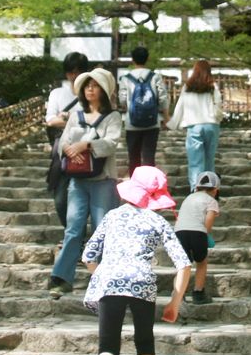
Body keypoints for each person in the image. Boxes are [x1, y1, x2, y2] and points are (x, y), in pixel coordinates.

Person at [81, 165, 191, 355]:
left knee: (108, 344)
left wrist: (103, 274)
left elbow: (88, 256)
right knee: (144, 342)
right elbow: (184, 264)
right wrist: (174, 302)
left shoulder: (112, 216)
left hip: (110, 280)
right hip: (142, 282)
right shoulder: (157, 221)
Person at [47, 67, 122, 298]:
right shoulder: (75, 115)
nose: (90, 89)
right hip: (77, 180)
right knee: (73, 228)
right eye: (87, 85)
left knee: (102, 229)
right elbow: (63, 143)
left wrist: (86, 146)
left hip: (103, 181)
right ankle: (61, 278)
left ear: (104, 90)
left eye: (95, 85)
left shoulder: (113, 117)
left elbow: (111, 143)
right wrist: (71, 150)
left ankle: (106, 278)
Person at [45, 52, 90, 227]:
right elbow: (51, 120)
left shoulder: (91, 94)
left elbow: (97, 120)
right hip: (62, 149)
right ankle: (70, 230)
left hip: (86, 147)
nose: (74, 75)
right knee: (60, 198)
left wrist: (66, 118)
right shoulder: (57, 93)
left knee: (84, 194)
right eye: (71, 71)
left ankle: (77, 233)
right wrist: (77, 120)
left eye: (78, 71)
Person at [165, 59, 224, 191]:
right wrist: (218, 118)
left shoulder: (188, 87)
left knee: (195, 162)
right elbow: (219, 105)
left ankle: (195, 189)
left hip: (194, 126)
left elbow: (180, 107)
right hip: (211, 125)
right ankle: (210, 189)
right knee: (209, 160)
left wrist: (172, 124)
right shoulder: (212, 86)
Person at [118, 46, 169, 173]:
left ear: (132, 60)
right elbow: (163, 98)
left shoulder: (125, 78)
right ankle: (149, 184)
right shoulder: (155, 77)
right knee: (149, 158)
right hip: (152, 123)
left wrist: (130, 107)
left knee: (133, 158)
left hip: (132, 124)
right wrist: (166, 116)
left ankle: (134, 183)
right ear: (147, 59)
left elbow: (122, 100)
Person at [175, 171, 220, 304]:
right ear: (215, 190)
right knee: (201, 262)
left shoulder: (188, 198)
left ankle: (178, 293)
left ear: (197, 187)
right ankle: (198, 293)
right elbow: (208, 221)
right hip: (198, 232)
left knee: (183, 264)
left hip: (179, 232)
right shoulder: (211, 201)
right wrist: (206, 235)